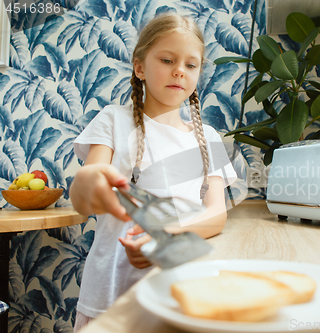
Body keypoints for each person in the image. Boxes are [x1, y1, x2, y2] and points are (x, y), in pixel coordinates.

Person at [69, 13, 236, 331]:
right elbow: (85, 192)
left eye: (191, 65)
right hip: (109, 293)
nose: (179, 71)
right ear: (140, 67)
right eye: (167, 59)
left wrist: (162, 237)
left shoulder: (209, 139)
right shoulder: (113, 120)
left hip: (173, 292)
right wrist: (88, 181)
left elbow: (217, 215)